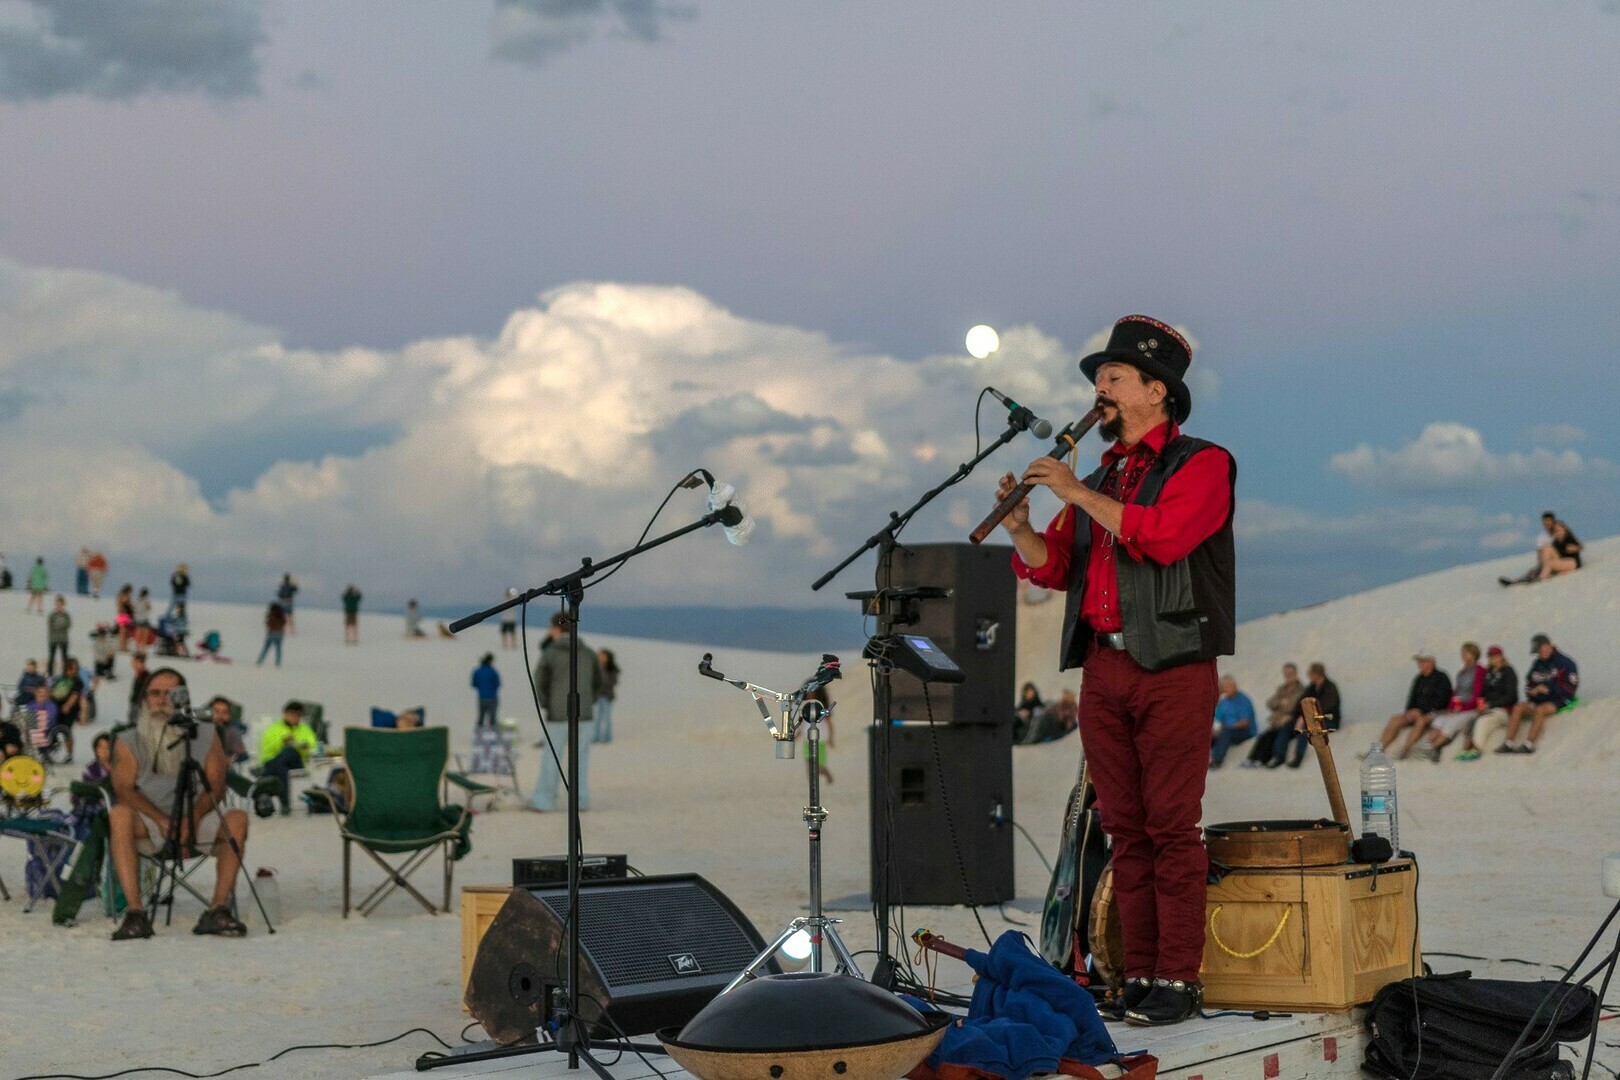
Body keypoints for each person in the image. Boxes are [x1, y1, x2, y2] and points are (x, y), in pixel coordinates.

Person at [999, 314, 1233, 1026]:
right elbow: (1055, 569)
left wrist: (1075, 494)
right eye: (1099, 377)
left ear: (1156, 391)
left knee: (1171, 825)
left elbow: (1162, 537)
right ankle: (1137, 973)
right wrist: (1022, 530)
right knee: (1124, 828)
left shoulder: (1203, 463)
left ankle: (1178, 978)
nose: (1099, 388)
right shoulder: (1101, 475)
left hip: (1172, 665)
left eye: (1114, 376)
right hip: (1103, 667)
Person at [107, 667, 249, 939]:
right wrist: (163, 820)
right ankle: (136, 913)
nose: (161, 700)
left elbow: (216, 787)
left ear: (183, 698)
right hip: (150, 822)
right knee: (119, 815)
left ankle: (218, 909)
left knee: (237, 819)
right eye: (154, 694)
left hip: (198, 818)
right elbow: (124, 790)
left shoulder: (207, 734)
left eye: (169, 694)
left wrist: (191, 819)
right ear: (144, 700)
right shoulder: (128, 740)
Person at [529, 612, 603, 813]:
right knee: (580, 760)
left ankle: (544, 801)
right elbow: (599, 681)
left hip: (558, 713)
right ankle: (580, 800)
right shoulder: (588, 652)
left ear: (555, 628)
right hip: (584, 714)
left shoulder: (551, 652)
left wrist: (548, 703)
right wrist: (588, 701)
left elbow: (539, 680)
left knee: (551, 758)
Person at [1498, 634, 1580, 754]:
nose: (1539, 654)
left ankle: (1529, 744)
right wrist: (1532, 691)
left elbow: (1570, 688)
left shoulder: (1565, 663)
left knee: (1540, 710)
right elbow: (1529, 683)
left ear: (1547, 646)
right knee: (1518, 708)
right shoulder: (1537, 663)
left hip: (1559, 700)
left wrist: (1549, 690)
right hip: (1538, 700)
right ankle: (1508, 743)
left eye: (1539, 651)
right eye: (1537, 652)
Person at [1413, 643, 1486, 762]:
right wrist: (1451, 707)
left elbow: (1477, 693)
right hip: (1459, 708)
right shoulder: (1462, 672)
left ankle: (1433, 748)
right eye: (1462, 653)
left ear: (1473, 654)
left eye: (1465, 653)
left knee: (1451, 723)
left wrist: (1464, 707)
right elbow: (1456, 692)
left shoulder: (1479, 671)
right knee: (1439, 720)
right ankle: (1427, 745)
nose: (1463, 655)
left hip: (1470, 709)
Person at [1375, 653, 1452, 760]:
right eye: (1419, 662)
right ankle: (1378, 750)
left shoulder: (1442, 677)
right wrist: (1410, 711)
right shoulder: (1419, 679)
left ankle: (1404, 751)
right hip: (1416, 712)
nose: (1420, 664)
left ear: (1431, 662)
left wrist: (1422, 711)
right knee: (1395, 719)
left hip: (1434, 712)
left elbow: (1442, 700)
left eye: (1423, 661)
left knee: (1421, 721)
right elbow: (1411, 698)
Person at [1450, 645, 1518, 761]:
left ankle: (1477, 749)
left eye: (1495, 656)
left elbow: (1511, 696)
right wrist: (1482, 704)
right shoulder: (1489, 673)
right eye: (1490, 656)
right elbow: (1483, 692)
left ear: (1501, 657)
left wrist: (1490, 705)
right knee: (1472, 719)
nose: (1492, 658)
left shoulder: (1508, 672)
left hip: (1503, 710)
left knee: (1483, 721)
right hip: (1488, 708)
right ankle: (1466, 749)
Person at [1267, 662, 1341, 768]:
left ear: (1316, 674)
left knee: (1306, 728)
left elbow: (1326, 707)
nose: (1308, 675)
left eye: (1310, 673)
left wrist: (1305, 717)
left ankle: (1298, 756)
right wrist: (1296, 716)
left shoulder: (1330, 688)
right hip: (1310, 718)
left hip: (1329, 721)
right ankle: (1279, 756)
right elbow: (1301, 703)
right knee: (1287, 726)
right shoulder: (1312, 687)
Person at [257, 700, 319, 814]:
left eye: (298, 715)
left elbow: (313, 747)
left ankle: (269, 789)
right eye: (292, 715)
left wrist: (300, 746)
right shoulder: (273, 729)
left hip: (296, 762)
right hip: (274, 762)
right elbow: (266, 749)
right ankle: (285, 802)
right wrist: (282, 742)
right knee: (282, 766)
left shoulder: (305, 729)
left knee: (290, 751)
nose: (295, 718)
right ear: (285, 714)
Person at [1243, 663, 1304, 768]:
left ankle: (1275, 758)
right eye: (1286, 674)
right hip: (1277, 721)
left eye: (1290, 673)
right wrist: (1281, 702)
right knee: (1264, 736)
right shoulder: (1281, 689)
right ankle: (1252, 759)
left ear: (1296, 673)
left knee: (1279, 735)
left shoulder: (1301, 690)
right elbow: (1270, 703)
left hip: (1290, 721)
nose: (1288, 676)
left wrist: (1279, 704)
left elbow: (1292, 706)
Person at [1209, 675, 1255, 768]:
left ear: (1235, 686)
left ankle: (1216, 760)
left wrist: (1225, 728)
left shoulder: (1243, 700)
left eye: (1228, 686)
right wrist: (1216, 730)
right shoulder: (1224, 701)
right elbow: (1219, 720)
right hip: (1226, 730)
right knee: (1209, 733)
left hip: (1244, 731)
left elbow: (1244, 722)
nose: (1226, 689)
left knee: (1226, 732)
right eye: (1224, 687)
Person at [207, 696, 247, 763]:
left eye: (225, 712)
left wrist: (230, 759)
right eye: (216, 712)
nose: (220, 716)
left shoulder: (232, 732)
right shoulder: (202, 731)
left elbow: (241, 754)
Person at [593, 649, 619, 743]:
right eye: (600, 656)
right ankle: (595, 737)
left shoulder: (611, 669)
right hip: (597, 696)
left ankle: (607, 737)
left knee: (606, 718)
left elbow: (613, 682)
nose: (601, 658)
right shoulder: (595, 667)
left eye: (603, 656)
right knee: (596, 718)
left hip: (607, 696)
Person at [471, 653, 501, 728]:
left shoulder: (477, 671)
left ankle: (479, 731)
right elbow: (497, 684)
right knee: (492, 718)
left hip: (482, 697)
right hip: (492, 697)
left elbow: (474, 684)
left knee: (481, 716)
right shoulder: (493, 672)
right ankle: (492, 731)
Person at [46, 595, 72, 675]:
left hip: (63, 639)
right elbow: (50, 624)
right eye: (57, 604)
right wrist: (58, 626)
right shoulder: (52, 615)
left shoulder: (66, 615)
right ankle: (50, 674)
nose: (58, 606)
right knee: (51, 657)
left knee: (64, 657)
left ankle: (65, 673)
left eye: (60, 604)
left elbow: (68, 624)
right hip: (53, 639)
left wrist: (60, 625)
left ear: (63, 605)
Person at [256, 602, 287, 667]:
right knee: (278, 649)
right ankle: (278, 663)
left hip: (272, 633)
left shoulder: (271, 615)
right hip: (280, 633)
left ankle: (260, 661)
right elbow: (284, 623)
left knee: (266, 648)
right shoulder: (281, 615)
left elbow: (268, 624)